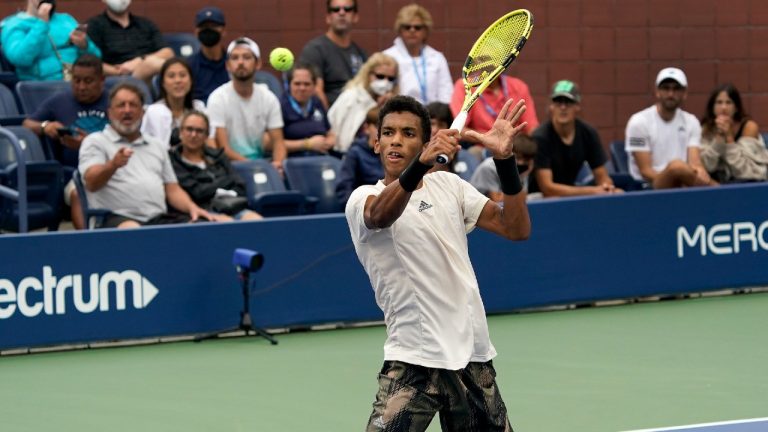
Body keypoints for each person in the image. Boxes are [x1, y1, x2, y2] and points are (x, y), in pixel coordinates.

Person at [345, 95, 530, 431]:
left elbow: (515, 228)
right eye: (388, 133)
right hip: (415, 359)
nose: (396, 140)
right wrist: (421, 165)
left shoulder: (449, 186)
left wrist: (505, 161)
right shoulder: (362, 199)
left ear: (425, 142)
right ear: (375, 143)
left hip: (472, 355)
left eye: (408, 133)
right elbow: (380, 215)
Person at [78, 82, 212, 228]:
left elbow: (172, 189)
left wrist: (192, 208)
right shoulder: (95, 141)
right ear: (110, 112)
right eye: (121, 105)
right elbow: (91, 182)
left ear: (142, 112)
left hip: (157, 219)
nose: (127, 110)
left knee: (200, 226)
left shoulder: (157, 145)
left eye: (133, 105)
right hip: (115, 219)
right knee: (134, 231)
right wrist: (113, 165)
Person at [23, 54, 109, 229]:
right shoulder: (59, 101)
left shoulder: (115, 102)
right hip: (75, 174)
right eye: (76, 80)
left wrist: (87, 144)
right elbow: (26, 124)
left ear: (102, 80)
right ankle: (88, 242)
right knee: (80, 193)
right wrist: (45, 126)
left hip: (112, 167)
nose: (81, 87)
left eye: (88, 81)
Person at [625, 67, 715, 189]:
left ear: (684, 94)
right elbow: (645, 171)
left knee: (681, 169)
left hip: (683, 183)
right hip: (647, 187)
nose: (670, 94)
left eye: (676, 89)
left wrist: (698, 172)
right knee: (676, 166)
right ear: (657, 91)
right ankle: (725, 195)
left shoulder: (691, 121)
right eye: (666, 88)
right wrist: (673, 178)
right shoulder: (637, 122)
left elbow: (695, 163)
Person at [207, 37, 286, 170]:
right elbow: (223, 148)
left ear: (258, 64)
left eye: (247, 57)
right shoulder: (217, 98)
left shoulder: (269, 98)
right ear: (227, 65)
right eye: (235, 58)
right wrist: (256, 167)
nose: (241, 62)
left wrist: (278, 165)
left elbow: (278, 142)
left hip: (263, 164)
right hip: (231, 167)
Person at [532, 80, 621, 197]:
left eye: (568, 102)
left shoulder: (588, 133)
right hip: (538, 198)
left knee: (618, 193)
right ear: (551, 106)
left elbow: (602, 177)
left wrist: (608, 189)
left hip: (570, 195)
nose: (563, 107)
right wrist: (593, 191)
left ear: (577, 105)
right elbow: (547, 188)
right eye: (558, 102)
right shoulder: (540, 137)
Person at [169, 111, 262, 221]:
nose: (194, 135)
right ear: (180, 132)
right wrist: (224, 184)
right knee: (227, 224)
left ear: (206, 136)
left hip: (233, 206)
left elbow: (240, 185)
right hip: (202, 211)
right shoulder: (173, 160)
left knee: (256, 220)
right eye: (189, 129)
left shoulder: (218, 155)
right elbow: (197, 192)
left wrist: (214, 188)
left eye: (199, 131)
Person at [1, 0, 101, 81]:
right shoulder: (14, 25)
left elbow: (97, 58)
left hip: (79, 83)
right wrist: (41, 24)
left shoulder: (66, 20)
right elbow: (21, 59)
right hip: (42, 86)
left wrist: (85, 46)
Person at [299, 0, 367, 108]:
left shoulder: (360, 53)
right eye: (336, 9)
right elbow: (316, 91)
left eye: (347, 9)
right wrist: (331, 121)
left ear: (355, 16)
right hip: (329, 117)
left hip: (358, 115)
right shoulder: (315, 49)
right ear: (328, 17)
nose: (341, 13)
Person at [327, 52, 398, 154]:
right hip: (347, 154)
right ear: (368, 74)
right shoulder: (351, 97)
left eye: (391, 79)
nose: (385, 82)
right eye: (380, 76)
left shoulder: (393, 101)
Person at [382, 4, 453, 105]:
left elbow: (446, 95)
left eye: (417, 27)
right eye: (407, 27)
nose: (412, 30)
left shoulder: (437, 58)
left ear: (425, 31)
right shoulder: (387, 57)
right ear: (400, 30)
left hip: (432, 116)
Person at [86, 0, 174, 80]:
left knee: (169, 66)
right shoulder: (94, 26)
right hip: (117, 77)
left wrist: (139, 61)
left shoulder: (145, 24)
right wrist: (119, 71)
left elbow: (168, 52)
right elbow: (90, 62)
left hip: (149, 73)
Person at [699, 83, 768, 183]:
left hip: (750, 183)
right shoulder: (706, 129)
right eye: (719, 102)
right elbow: (707, 167)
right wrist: (719, 139)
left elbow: (745, 172)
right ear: (712, 107)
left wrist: (729, 138)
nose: (723, 107)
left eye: (728, 102)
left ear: (736, 108)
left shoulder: (749, 127)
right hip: (716, 184)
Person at [141, 57, 206, 148]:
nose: (178, 81)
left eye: (182, 75)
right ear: (163, 83)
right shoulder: (154, 112)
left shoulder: (199, 108)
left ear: (191, 81)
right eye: (171, 76)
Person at [450, 74, 539, 138]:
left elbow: (532, 128)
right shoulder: (465, 85)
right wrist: (489, 138)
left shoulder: (519, 86)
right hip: (481, 147)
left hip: (515, 147)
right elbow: (459, 130)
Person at [280, 63, 336, 157]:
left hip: (322, 158)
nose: (302, 88)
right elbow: (270, 144)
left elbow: (329, 131)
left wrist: (330, 140)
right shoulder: (280, 105)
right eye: (297, 84)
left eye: (307, 84)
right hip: (293, 161)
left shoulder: (317, 102)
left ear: (314, 86)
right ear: (289, 85)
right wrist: (307, 144)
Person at [335, 107, 383, 205]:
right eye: (377, 126)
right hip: (363, 208)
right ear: (367, 128)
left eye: (387, 128)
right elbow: (344, 187)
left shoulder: (396, 152)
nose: (381, 131)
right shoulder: (355, 152)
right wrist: (360, 208)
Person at [471, 134, 538, 203]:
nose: (521, 163)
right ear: (509, 153)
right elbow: (498, 202)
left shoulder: (524, 169)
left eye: (526, 160)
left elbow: (522, 199)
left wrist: (521, 176)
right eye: (518, 158)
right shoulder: (489, 167)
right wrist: (516, 178)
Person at [187, 6, 228, 103]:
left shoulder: (233, 63)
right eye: (204, 27)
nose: (208, 30)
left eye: (213, 26)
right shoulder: (189, 66)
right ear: (196, 32)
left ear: (223, 31)